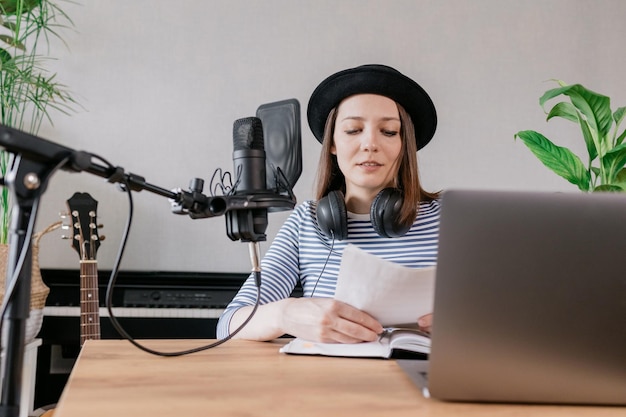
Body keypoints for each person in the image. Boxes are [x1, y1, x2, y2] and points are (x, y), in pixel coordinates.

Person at [216, 64, 440, 343]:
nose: (370, 143)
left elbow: (502, 315)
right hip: (329, 381)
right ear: (331, 143)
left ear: (404, 143)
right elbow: (228, 324)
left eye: (389, 132)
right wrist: (284, 313)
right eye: (353, 130)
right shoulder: (304, 222)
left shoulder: (451, 218)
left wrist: (471, 322)